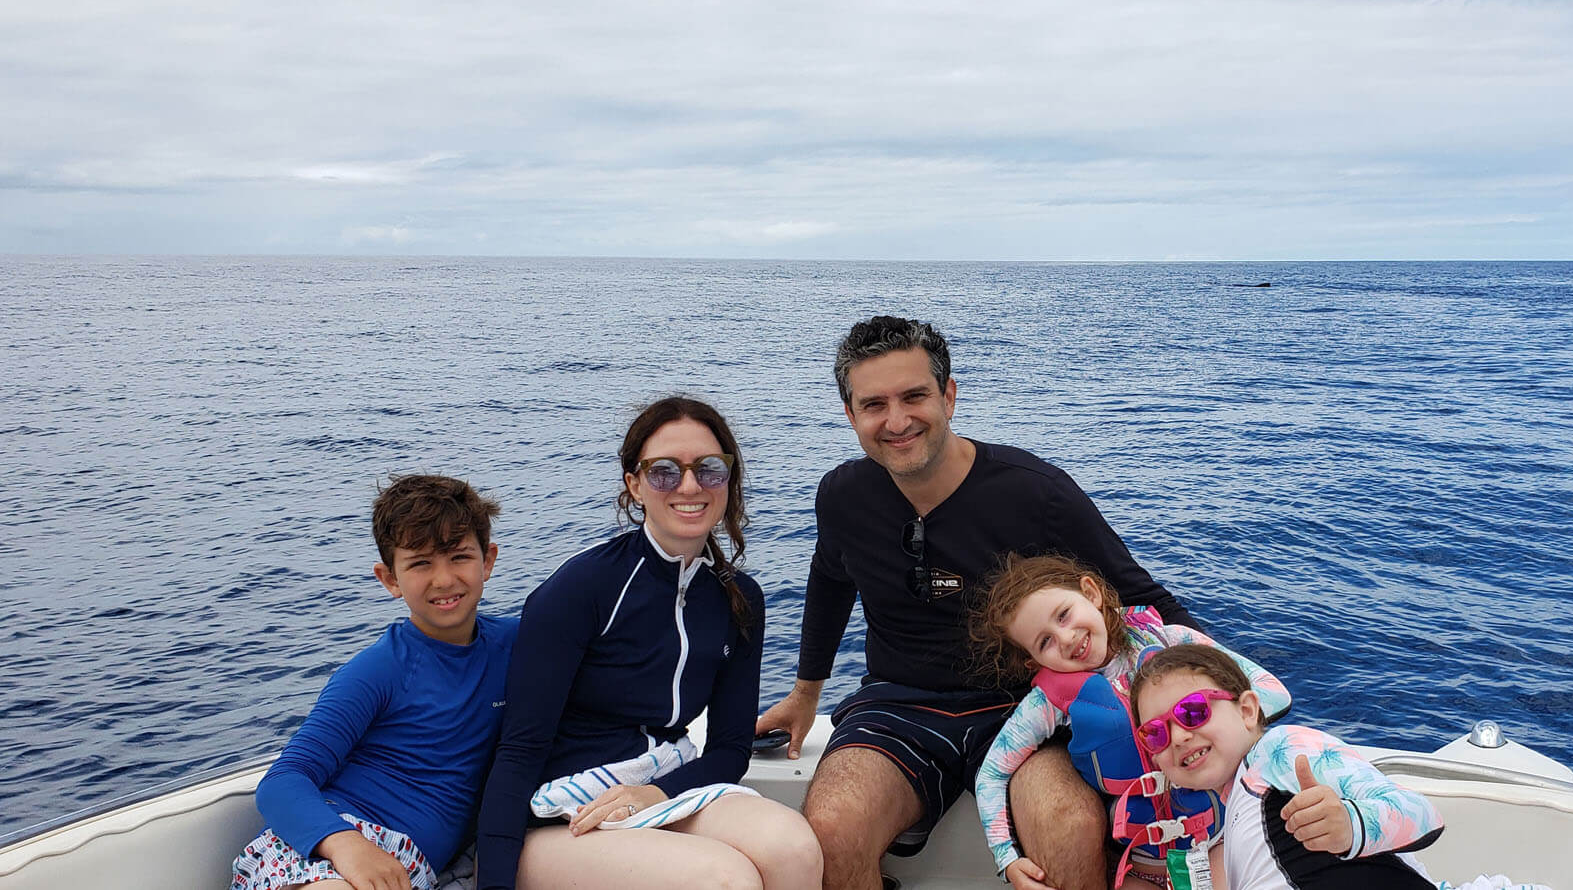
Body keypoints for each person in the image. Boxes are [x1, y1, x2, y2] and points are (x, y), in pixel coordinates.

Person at [755, 315, 1198, 890]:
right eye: (874, 404)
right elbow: (830, 579)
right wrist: (805, 693)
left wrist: (1206, 706)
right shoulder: (843, 495)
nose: (896, 421)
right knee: (832, 828)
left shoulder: (1036, 492)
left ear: (949, 396)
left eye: (914, 396)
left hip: (1029, 710)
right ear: (851, 415)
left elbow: (1142, 600)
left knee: (1069, 825)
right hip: (898, 705)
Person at [475, 397, 820, 890]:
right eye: (663, 471)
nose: (688, 486)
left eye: (709, 469)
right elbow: (519, 753)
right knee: (725, 880)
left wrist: (656, 793)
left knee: (795, 849)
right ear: (634, 486)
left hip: (660, 782)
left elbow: (727, 749)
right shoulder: (580, 590)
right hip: (561, 814)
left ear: (729, 478)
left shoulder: (739, 600)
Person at [230, 475, 518, 890]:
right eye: (420, 563)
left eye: (459, 557)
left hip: (408, 866)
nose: (443, 579)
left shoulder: (521, 643)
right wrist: (347, 847)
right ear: (390, 579)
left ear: (488, 561)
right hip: (330, 846)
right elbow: (283, 781)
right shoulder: (378, 670)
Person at [967, 554, 1292, 890]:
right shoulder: (1047, 703)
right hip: (1143, 864)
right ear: (1033, 662)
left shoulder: (1172, 640)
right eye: (1044, 641)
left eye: (1063, 615)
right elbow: (992, 773)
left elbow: (1272, 693)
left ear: (1091, 593)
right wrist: (1006, 857)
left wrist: (1203, 721)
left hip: (1223, 838)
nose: (1064, 638)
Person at [1132, 645, 1550, 890]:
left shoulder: (1282, 751)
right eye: (1156, 733)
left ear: (1246, 711)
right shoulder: (1237, 804)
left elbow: (1422, 816)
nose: (1179, 736)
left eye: (1192, 712)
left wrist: (1351, 824)